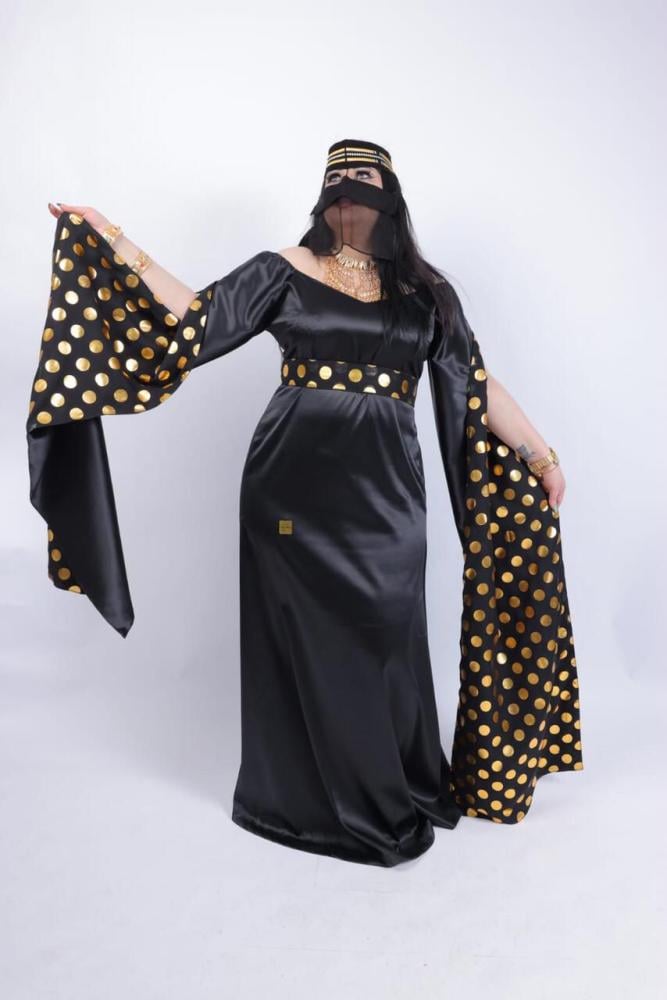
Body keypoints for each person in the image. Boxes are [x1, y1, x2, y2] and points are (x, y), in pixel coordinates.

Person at [26, 139, 583, 867]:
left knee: (383, 631)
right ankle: (309, 805)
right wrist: (113, 237)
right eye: (338, 178)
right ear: (323, 195)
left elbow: (475, 386)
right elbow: (196, 317)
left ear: (391, 194)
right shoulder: (285, 269)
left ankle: (392, 777)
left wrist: (541, 456)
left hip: (388, 494)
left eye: (365, 177)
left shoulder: (425, 295)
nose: (350, 189)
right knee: (315, 641)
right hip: (289, 490)